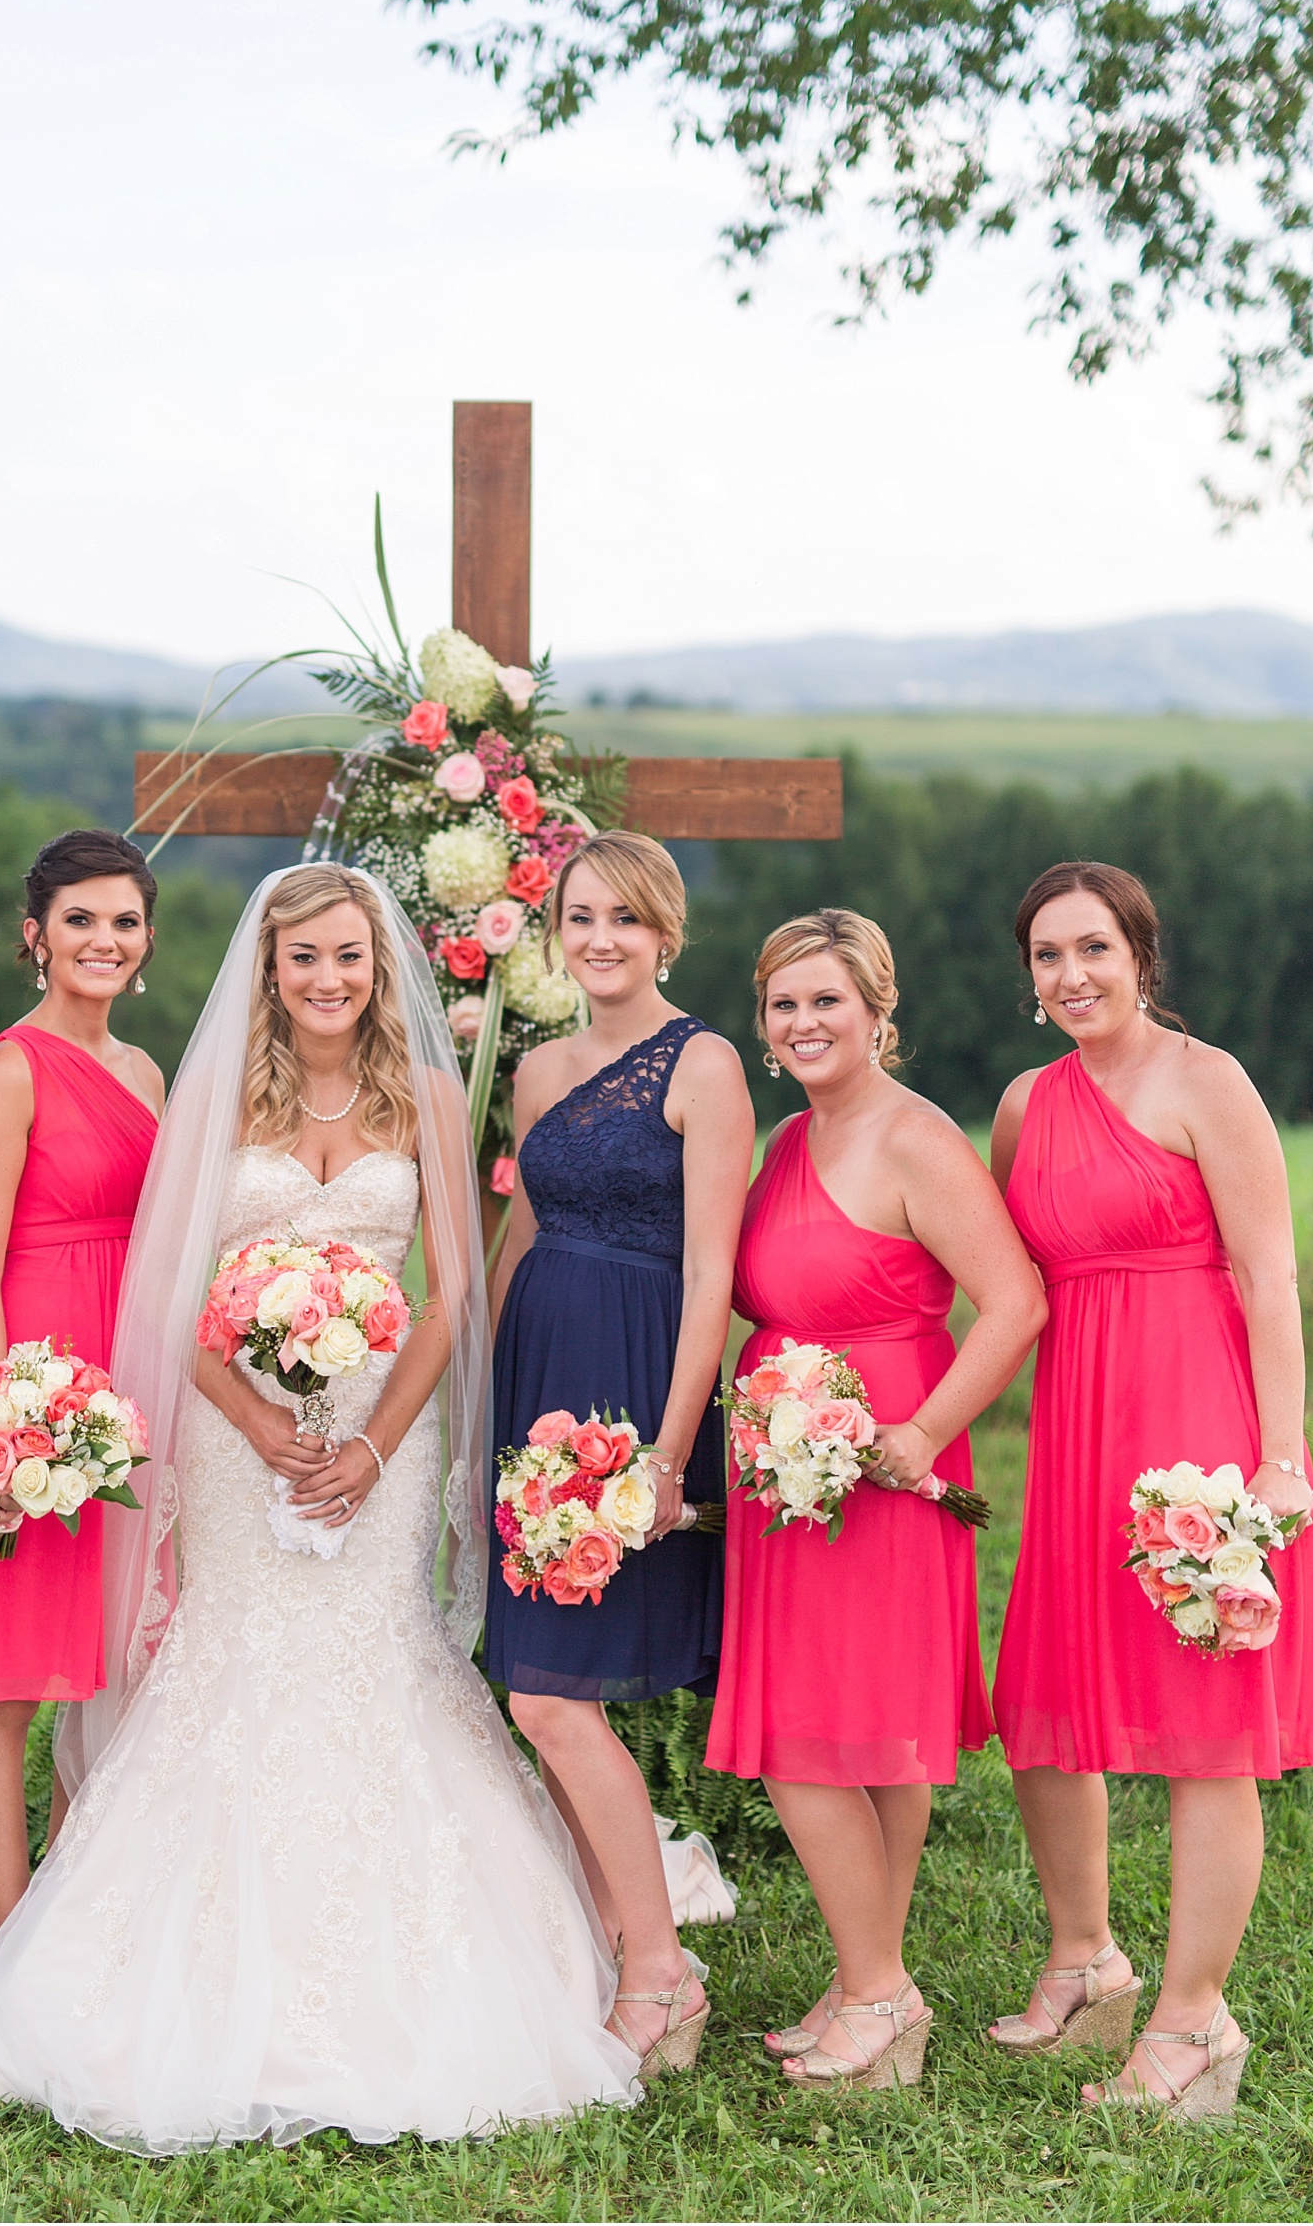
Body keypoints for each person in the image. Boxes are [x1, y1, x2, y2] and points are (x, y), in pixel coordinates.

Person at [0, 864, 641, 2148]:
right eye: (303, 957)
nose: (327, 979)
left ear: (382, 971)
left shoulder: (429, 1094)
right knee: (232, 1658)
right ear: (266, 969)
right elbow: (162, 1288)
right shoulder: (208, 1094)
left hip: (384, 1425)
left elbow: (450, 1299)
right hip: (226, 1424)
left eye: (350, 958)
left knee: (374, 1660)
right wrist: (258, 1415)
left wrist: (375, 1441)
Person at [988, 860, 1313, 2120]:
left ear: (1141, 952)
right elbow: (1009, 1277)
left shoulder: (1210, 1081)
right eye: (1045, 955)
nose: (1071, 973)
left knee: (1205, 1731)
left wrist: (1277, 1463)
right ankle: (1087, 1957)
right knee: (1042, 1700)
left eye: (1093, 947)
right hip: (1080, 1428)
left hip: (1195, 1420)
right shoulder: (1027, 1104)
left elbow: (1272, 1278)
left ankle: (1195, 2026)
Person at [705, 909, 1044, 2090]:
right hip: (790, 1465)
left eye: (825, 1001)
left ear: (876, 1011)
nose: (801, 1022)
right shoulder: (792, 1139)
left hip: (886, 1462)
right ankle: (871, 1974)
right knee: (865, 1746)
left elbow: (1013, 1302)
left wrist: (922, 1432)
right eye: (782, 1003)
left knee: (818, 1738)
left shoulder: (914, 1137)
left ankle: (879, 1992)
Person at [485, 832, 754, 2079]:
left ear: (666, 933)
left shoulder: (703, 1061)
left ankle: (660, 1969)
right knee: (543, 1679)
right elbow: (515, 1240)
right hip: (538, 1372)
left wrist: (669, 1451)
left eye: (626, 920)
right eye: (581, 916)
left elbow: (713, 1273)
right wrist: (476, 1405)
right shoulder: (538, 1068)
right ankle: (613, 1937)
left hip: (636, 1381)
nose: (601, 938)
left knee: (551, 1684)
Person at [0, 830, 163, 1932]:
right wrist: (12, 1421)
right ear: (36, 936)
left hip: (133, 1379)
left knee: (116, 1644)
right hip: (43, 1385)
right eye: (81, 918)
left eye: (123, 920)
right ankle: (9, 1924)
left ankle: (87, 1889)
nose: (103, 939)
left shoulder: (145, 1070)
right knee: (11, 1670)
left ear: (148, 939)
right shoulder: (9, 1067)